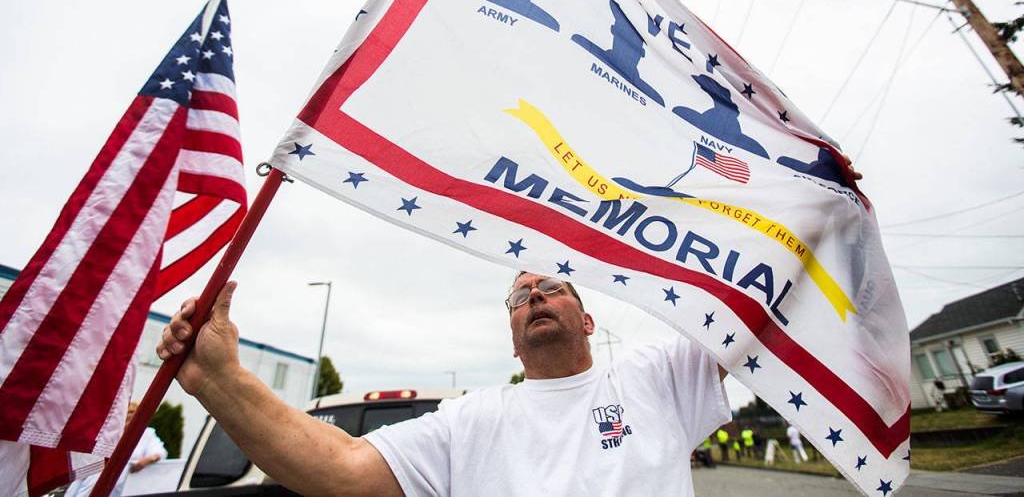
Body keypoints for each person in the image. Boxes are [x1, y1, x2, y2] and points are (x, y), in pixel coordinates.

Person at [156, 272, 730, 496]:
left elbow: (752, 311)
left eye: (552, 288)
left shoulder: (657, 374)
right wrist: (218, 379)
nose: (533, 296)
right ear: (512, 342)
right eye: (518, 297)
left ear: (586, 322)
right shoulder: (471, 420)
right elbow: (342, 466)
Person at [64, 401, 167, 497]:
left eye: (134, 415)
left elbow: (159, 452)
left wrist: (145, 461)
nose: (130, 419)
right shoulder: (109, 432)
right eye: (128, 415)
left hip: (127, 483)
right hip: (97, 476)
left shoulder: (147, 434)